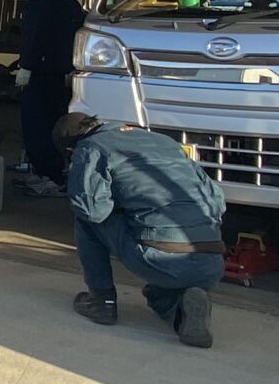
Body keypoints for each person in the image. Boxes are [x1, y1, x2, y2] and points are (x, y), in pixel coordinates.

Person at [57, 110, 227, 347]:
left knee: (85, 217)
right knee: (157, 295)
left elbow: (93, 211)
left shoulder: (90, 148)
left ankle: (101, 301)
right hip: (212, 260)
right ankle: (184, 310)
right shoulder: (163, 141)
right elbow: (217, 200)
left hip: (160, 257)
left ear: (70, 149)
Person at [11, 0, 83, 194]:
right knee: (54, 122)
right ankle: (53, 172)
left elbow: (35, 33)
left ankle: (49, 174)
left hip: (41, 69)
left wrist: (26, 65)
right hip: (60, 69)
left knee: (36, 124)